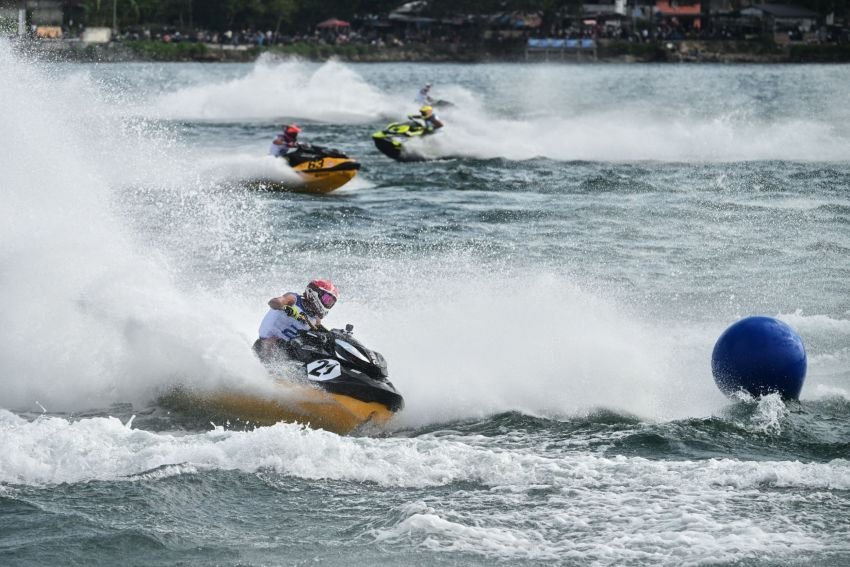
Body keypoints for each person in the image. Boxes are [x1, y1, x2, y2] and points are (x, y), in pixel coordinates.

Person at [254, 279, 339, 362]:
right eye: (327, 299)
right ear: (314, 292)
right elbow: (273, 302)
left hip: (287, 350)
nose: (328, 303)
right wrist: (286, 308)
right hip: (264, 345)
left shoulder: (315, 320)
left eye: (330, 302)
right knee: (275, 341)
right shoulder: (293, 299)